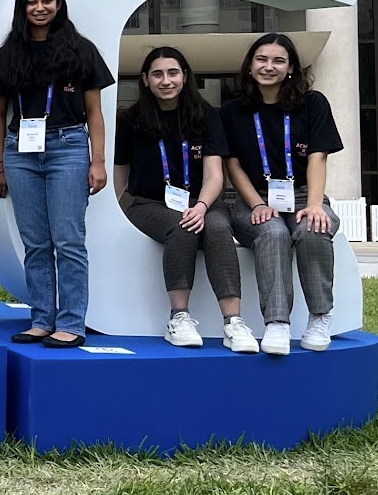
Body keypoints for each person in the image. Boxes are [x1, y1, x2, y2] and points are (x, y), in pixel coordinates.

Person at [0, 0, 114, 348]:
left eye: (47, 0)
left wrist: (98, 161)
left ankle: (72, 324)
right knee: (36, 243)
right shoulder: (8, 54)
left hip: (69, 146)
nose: (39, 8)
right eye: (31, 2)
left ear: (59, 4)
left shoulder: (80, 50)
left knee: (69, 240)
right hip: (19, 151)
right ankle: (42, 319)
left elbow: (95, 112)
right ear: (22, 8)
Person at [114, 45, 257, 353]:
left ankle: (233, 322)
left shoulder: (205, 115)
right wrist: (112, 214)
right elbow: (120, 172)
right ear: (145, 79)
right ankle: (179, 317)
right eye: (157, 74)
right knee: (182, 226)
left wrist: (202, 206)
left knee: (219, 229)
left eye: (173, 73)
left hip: (202, 200)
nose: (166, 81)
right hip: (149, 204)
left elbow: (215, 175)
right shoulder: (131, 119)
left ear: (185, 76)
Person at [220, 33, 344, 356]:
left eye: (278, 61)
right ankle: (277, 323)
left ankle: (320, 316)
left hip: (303, 193)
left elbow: (318, 156)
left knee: (315, 226)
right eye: (262, 59)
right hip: (253, 198)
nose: (269, 67)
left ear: (291, 68)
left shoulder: (313, 104)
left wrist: (316, 204)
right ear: (250, 65)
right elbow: (233, 165)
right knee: (273, 232)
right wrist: (257, 203)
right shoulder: (233, 111)